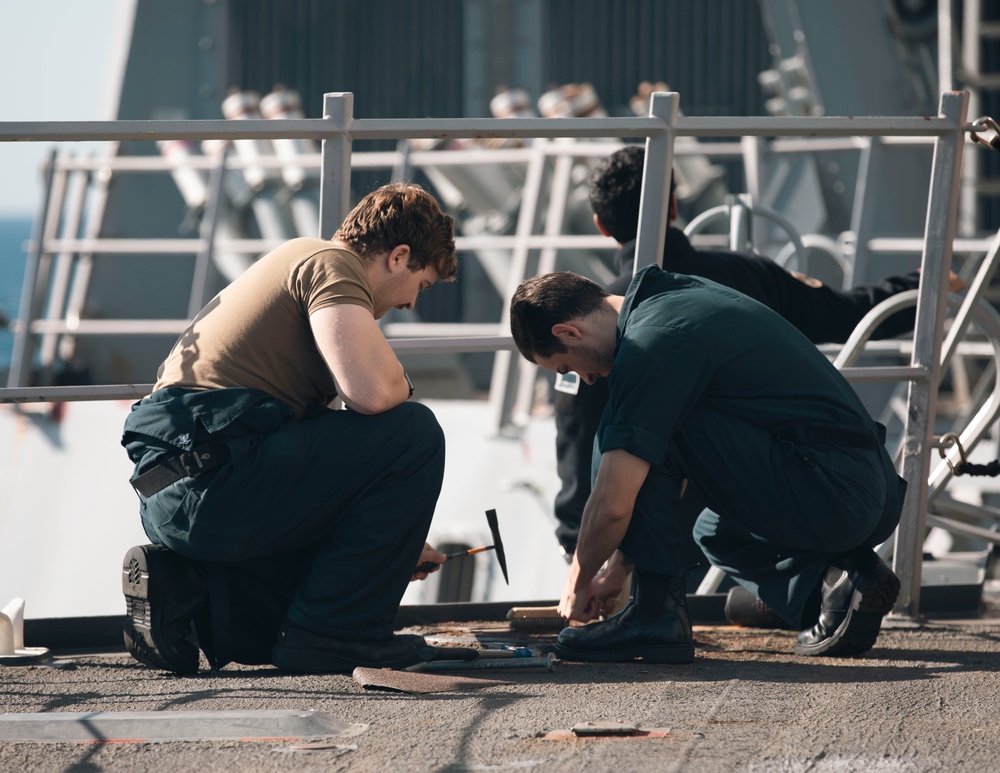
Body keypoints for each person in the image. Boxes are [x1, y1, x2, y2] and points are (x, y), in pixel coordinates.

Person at [552, 145, 957, 560]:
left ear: (602, 225)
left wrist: (575, 539)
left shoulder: (597, 328)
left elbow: (579, 429)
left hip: (654, 538)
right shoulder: (748, 274)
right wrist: (921, 284)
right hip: (781, 499)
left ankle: (660, 607)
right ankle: (824, 581)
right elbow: (843, 314)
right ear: (673, 205)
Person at [120, 182, 458, 675]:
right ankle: (341, 636)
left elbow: (324, 463)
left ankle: (185, 591)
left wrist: (393, 545)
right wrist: (401, 383)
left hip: (179, 490)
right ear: (399, 256)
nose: (411, 303)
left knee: (278, 638)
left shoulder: (296, 260)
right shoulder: (330, 263)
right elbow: (372, 394)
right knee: (414, 434)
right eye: (421, 285)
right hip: (213, 478)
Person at [509, 268, 907, 662]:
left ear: (567, 333)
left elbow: (613, 505)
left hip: (834, 492)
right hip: (869, 488)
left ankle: (654, 618)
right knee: (714, 532)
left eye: (567, 368)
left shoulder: (651, 344)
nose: (587, 379)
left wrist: (577, 581)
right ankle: (835, 585)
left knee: (639, 431)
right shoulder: (675, 299)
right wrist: (617, 571)